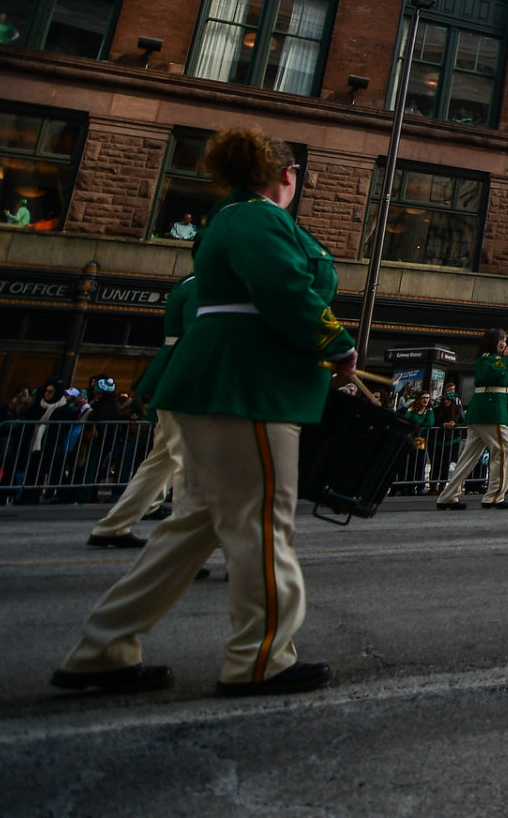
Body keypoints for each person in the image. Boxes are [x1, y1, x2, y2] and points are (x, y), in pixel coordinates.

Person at [53, 127, 355, 696]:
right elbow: (286, 289)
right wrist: (335, 342)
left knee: (192, 526)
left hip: (217, 382)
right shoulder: (258, 217)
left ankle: (103, 647)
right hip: (248, 385)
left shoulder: (230, 218)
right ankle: (260, 657)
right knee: (263, 522)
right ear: (287, 175)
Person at [87, 276, 199, 548]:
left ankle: (113, 525)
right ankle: (183, 542)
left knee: (162, 458)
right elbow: (203, 334)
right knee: (193, 458)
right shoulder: (207, 284)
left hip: (175, 370)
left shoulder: (189, 282)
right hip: (189, 373)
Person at [438, 329, 508, 510]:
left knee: (469, 456)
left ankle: (448, 494)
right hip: (491, 410)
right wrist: (506, 360)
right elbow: (494, 375)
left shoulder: (495, 360)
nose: (505, 344)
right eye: (502, 340)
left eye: (506, 341)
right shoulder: (486, 359)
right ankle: (494, 495)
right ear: (493, 341)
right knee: (502, 450)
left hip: (485, 410)